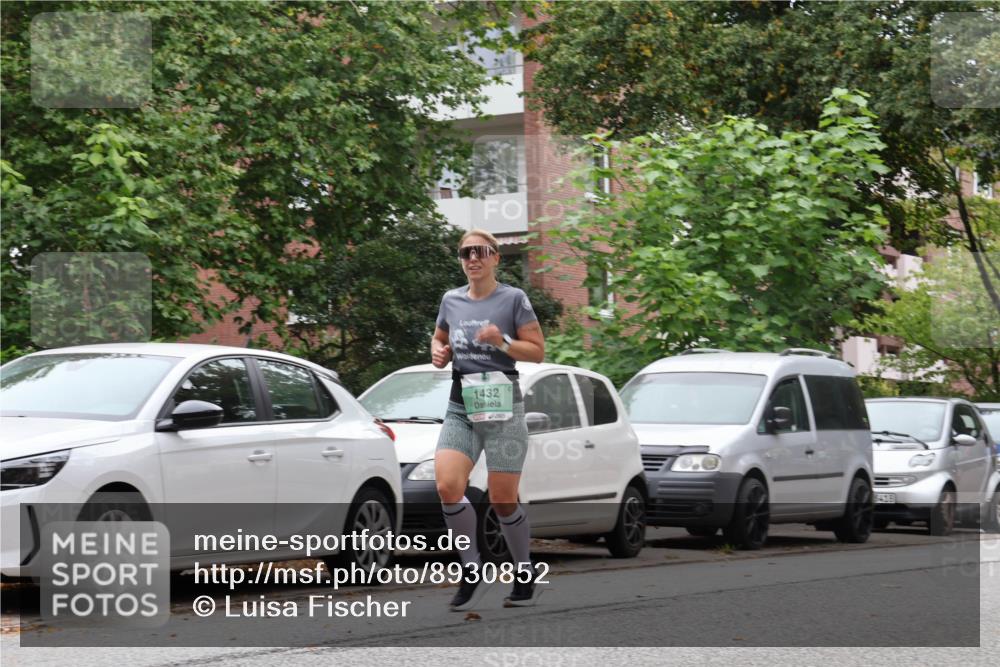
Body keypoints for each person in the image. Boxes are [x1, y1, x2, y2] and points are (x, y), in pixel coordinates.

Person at [430, 228, 545, 611]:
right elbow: (439, 337)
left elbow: (537, 352)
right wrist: (439, 353)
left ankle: (524, 573)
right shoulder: (451, 300)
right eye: (465, 253)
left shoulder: (514, 299)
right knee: (448, 486)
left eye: (480, 252)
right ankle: (471, 568)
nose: (472, 258)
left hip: (503, 409)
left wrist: (503, 342)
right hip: (461, 405)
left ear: (496, 257)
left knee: (502, 500)